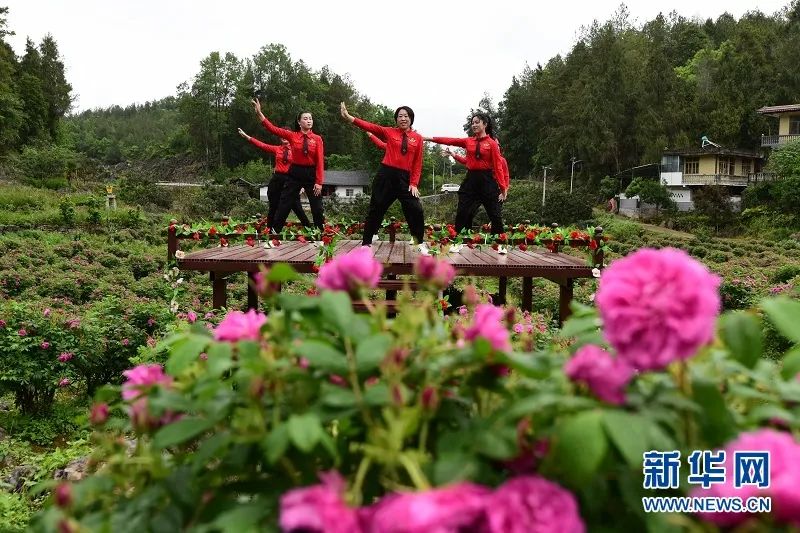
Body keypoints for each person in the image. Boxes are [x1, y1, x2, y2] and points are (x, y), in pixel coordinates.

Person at [340, 102, 425, 247]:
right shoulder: (389, 132)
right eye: (400, 116)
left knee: (416, 209)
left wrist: (414, 183)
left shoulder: (418, 138)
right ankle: (366, 243)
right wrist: (350, 118)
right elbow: (370, 126)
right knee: (376, 208)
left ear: (411, 118)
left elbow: (417, 163)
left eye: (406, 116)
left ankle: (418, 242)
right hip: (386, 176)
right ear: (396, 119)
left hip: (405, 179)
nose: (403, 119)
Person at [427, 113, 507, 235]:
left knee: (495, 213)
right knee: (463, 211)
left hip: (487, 181)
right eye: (472, 123)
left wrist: (503, 189)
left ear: (485, 124)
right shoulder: (468, 141)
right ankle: (461, 238)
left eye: (477, 122)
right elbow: (450, 140)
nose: (474, 125)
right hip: (471, 180)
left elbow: (498, 168)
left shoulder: (492, 144)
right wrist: (429, 138)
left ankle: (499, 240)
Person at [252, 99, 325, 232]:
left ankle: (320, 232)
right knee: (285, 203)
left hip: (311, 173)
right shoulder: (292, 136)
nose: (309, 121)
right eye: (305, 118)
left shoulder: (317, 139)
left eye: (310, 118)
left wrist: (319, 182)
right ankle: (275, 232)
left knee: (317, 206)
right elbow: (272, 128)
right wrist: (260, 114)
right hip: (295, 172)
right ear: (299, 122)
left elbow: (320, 160)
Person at [237, 128, 311, 228]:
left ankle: (309, 229)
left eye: (287, 135)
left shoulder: (296, 150)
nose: (284, 137)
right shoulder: (277, 149)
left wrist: (301, 185)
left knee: (296, 206)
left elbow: (303, 167)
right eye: (282, 135)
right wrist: (247, 137)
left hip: (291, 180)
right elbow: (262, 145)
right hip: (277, 179)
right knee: (273, 206)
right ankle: (269, 231)